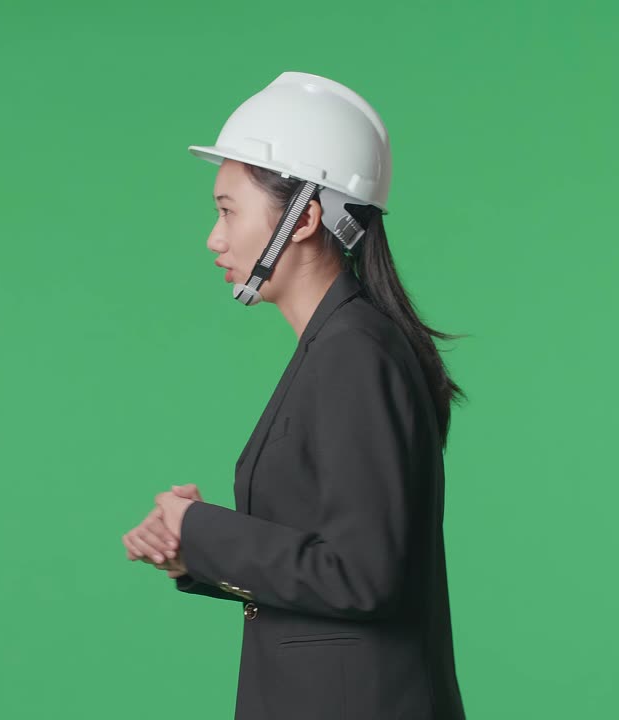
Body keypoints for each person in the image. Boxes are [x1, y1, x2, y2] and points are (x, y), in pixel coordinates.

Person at [121, 71, 469, 720]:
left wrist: (198, 527)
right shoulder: (338, 348)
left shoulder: (353, 354)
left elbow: (363, 575)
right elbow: (334, 564)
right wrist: (192, 551)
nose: (214, 237)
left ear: (305, 217)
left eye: (228, 210)